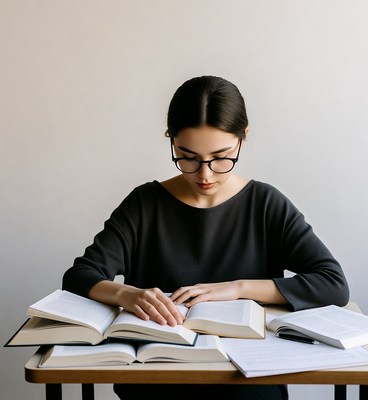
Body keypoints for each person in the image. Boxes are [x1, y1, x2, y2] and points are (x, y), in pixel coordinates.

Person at [63, 75, 350, 400]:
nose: (205, 173)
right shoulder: (145, 204)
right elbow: (80, 275)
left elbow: (332, 284)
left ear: (244, 137)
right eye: (187, 156)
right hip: (157, 379)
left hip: (247, 379)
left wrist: (238, 288)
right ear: (170, 140)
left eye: (221, 156)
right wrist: (127, 294)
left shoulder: (266, 204)